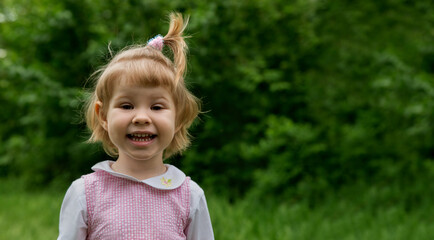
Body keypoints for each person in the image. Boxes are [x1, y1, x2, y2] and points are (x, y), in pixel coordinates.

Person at [57, 12, 214, 240]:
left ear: (178, 117)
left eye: (157, 107)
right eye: (127, 105)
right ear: (103, 115)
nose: (141, 117)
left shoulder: (189, 196)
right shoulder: (85, 194)